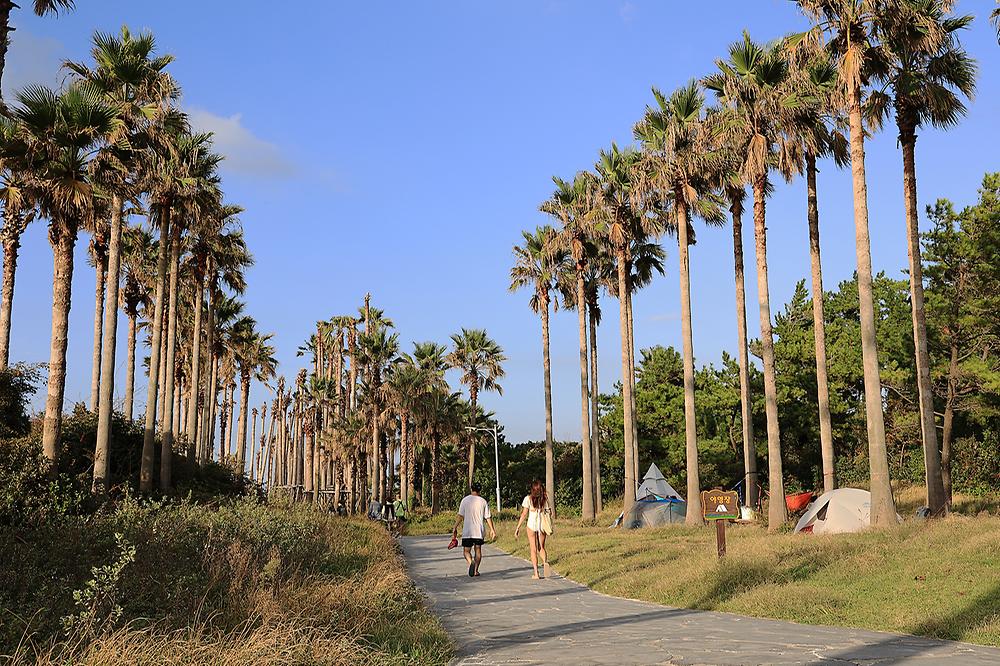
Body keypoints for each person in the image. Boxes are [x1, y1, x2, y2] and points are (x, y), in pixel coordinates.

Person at [451, 482, 497, 577]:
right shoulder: (483, 501)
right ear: (480, 490)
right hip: (479, 531)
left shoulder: (465, 500)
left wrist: (455, 526)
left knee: (466, 551)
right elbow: (488, 517)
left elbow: (460, 516)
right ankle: (476, 570)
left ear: (471, 489)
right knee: (478, 550)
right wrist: (492, 529)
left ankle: (470, 561)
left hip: (468, 530)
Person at [514, 479, 551, 579]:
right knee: (542, 547)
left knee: (533, 549)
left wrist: (518, 527)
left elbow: (524, 514)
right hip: (542, 526)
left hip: (531, 525)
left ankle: (536, 573)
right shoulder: (545, 499)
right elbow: (549, 512)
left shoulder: (528, 499)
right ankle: (545, 562)